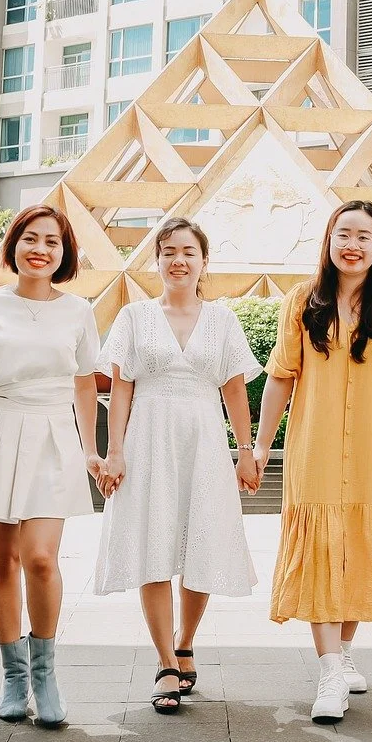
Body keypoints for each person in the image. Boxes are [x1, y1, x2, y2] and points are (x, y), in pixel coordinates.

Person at [245, 200, 372, 725]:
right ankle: (329, 669)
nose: (352, 245)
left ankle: (343, 650)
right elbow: (281, 377)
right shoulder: (302, 302)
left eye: (364, 236)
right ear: (329, 241)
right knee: (322, 550)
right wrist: (260, 446)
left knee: (357, 549)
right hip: (314, 451)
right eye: (343, 234)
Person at [0, 205, 101, 729]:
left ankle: (46, 673)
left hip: (53, 435)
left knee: (41, 558)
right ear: (15, 246)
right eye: (31, 239)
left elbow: (83, 383)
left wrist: (91, 450)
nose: (40, 250)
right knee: (2, 559)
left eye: (52, 242)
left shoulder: (78, 311)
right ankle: (13, 677)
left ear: (64, 253)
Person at [94, 218, 261, 713]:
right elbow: (120, 387)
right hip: (148, 437)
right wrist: (116, 450)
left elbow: (234, 388)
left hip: (205, 440)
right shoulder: (133, 318)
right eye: (168, 252)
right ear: (158, 260)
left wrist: (246, 450)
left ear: (203, 261)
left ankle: (186, 641)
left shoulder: (224, 321)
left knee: (202, 541)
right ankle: (166, 661)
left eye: (188, 252)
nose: (178, 261)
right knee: (153, 541)